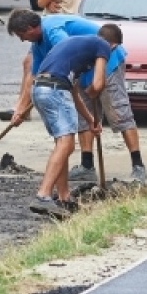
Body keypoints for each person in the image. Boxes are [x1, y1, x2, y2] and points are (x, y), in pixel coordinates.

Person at [25, 31, 112, 216]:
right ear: (114, 45)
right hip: (55, 89)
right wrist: (96, 89)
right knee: (67, 144)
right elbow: (97, 84)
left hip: (40, 89)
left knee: (61, 144)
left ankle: (64, 198)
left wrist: (90, 121)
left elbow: (73, 93)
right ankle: (43, 195)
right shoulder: (103, 45)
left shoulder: (76, 50)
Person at [68, 23, 147, 187]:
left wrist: (97, 87)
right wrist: (86, 86)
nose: (114, 48)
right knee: (84, 116)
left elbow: (100, 81)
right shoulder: (79, 46)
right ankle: (87, 165)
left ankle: (138, 164)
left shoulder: (112, 52)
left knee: (120, 112)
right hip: (82, 75)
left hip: (109, 71)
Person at [7, 9, 100, 128]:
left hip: (103, 59)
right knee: (83, 118)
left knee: (118, 114)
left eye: (21, 35)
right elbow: (34, 75)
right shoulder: (37, 43)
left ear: (30, 28)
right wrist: (21, 109)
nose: (22, 40)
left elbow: (69, 52)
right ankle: (86, 147)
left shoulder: (52, 30)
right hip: (81, 66)